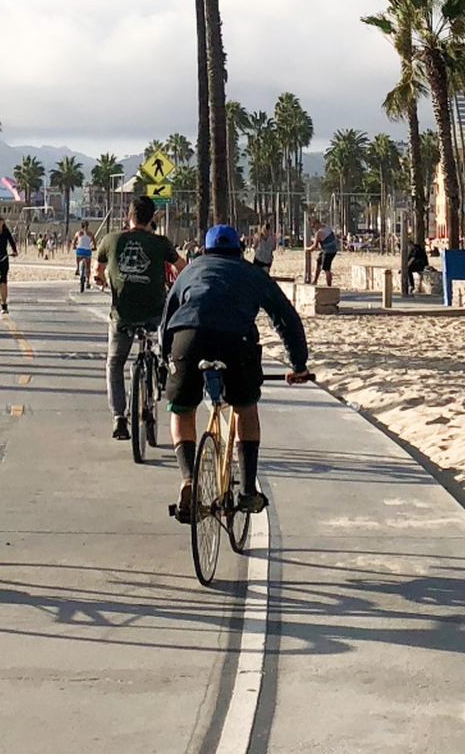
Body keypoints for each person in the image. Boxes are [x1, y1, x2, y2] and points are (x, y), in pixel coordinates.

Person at [161, 224, 313, 521]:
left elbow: (167, 318)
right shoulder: (252, 273)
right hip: (235, 341)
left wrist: (167, 361)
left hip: (186, 338)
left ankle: (189, 480)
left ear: (205, 250)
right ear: (239, 250)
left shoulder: (190, 271)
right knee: (245, 407)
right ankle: (246, 491)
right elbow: (286, 318)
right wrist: (298, 365)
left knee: (181, 410)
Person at [95, 197, 180, 441]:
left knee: (115, 363)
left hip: (122, 316)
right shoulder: (160, 242)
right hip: (154, 315)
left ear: (127, 216)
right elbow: (182, 267)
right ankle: (161, 370)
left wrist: (99, 279)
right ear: (152, 218)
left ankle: (119, 418)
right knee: (164, 345)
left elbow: (96, 271)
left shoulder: (111, 240)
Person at [313, 220, 339, 286]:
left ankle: (329, 286)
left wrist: (307, 249)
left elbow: (315, 246)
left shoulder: (319, 233)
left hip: (328, 251)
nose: (314, 228)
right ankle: (315, 281)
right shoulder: (327, 227)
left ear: (317, 224)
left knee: (327, 269)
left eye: (314, 226)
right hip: (332, 249)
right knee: (319, 261)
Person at [72, 221, 95, 292]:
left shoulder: (78, 233)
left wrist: (74, 247)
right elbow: (94, 243)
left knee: (78, 255)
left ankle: (78, 268)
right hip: (87, 250)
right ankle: (88, 281)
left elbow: (74, 242)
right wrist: (94, 248)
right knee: (88, 266)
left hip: (80, 250)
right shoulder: (90, 234)